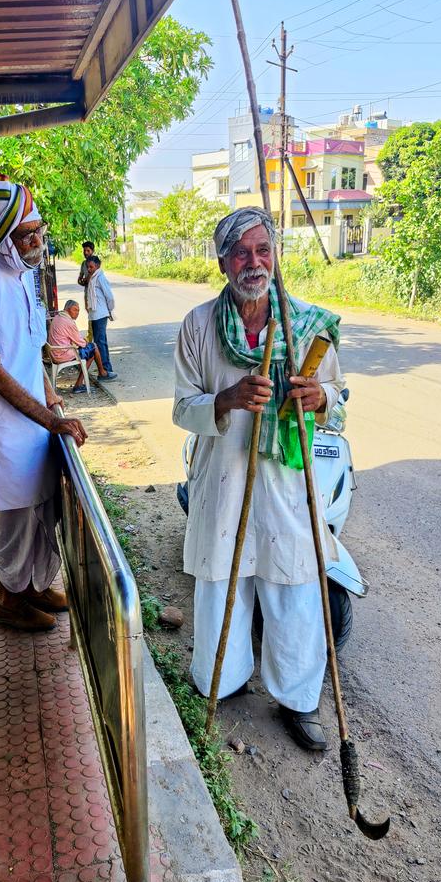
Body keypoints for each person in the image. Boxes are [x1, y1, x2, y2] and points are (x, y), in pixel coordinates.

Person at [172, 207, 344, 751]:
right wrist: (226, 399)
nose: (254, 262)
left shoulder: (306, 325)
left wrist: (319, 398)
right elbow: (182, 407)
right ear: (222, 260)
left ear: (276, 256)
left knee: (293, 584)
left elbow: (336, 400)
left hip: (287, 480)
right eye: (242, 252)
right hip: (223, 479)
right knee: (222, 581)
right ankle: (221, 682)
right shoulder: (198, 325)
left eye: (263, 250)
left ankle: (298, 700)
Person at [0, 172, 88, 633]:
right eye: (27, 234)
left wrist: (52, 402)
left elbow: (29, 350)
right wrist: (49, 421)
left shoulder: (24, 275)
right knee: (15, 520)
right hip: (7, 428)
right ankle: (8, 599)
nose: (37, 241)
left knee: (40, 511)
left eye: (39, 231)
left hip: (35, 420)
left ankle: (31, 586)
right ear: (3, 236)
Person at [48, 299, 114, 393]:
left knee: (90, 351)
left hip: (55, 352)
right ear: (67, 309)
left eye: (78, 310)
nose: (77, 313)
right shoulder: (68, 322)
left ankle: (97, 375)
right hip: (62, 354)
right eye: (75, 310)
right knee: (93, 348)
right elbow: (81, 343)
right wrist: (85, 342)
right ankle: (100, 374)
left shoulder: (58, 317)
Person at [84, 254, 117, 379]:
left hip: (100, 314)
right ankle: (104, 369)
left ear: (97, 266)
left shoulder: (100, 277)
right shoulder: (92, 277)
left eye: (91, 267)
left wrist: (109, 309)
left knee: (100, 343)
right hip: (94, 314)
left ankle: (106, 370)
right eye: (88, 267)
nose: (89, 269)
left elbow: (110, 296)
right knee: (99, 342)